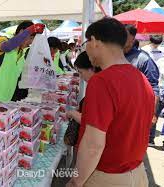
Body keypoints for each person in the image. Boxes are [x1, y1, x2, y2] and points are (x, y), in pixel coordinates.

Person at [66, 17, 154, 187]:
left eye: (87, 43)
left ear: (94, 41)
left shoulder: (102, 81)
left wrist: (77, 181)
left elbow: (93, 145)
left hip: (106, 176)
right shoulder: (141, 78)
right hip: (137, 173)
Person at [0, 21, 45, 102]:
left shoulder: (22, 53)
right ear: (21, 32)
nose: (31, 42)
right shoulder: (2, 40)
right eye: (30, 38)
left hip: (5, 99)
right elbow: (7, 46)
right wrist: (30, 30)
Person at [124, 24, 160, 146]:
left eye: (125, 36)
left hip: (135, 112)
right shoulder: (112, 55)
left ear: (132, 39)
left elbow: (154, 87)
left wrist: (153, 113)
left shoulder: (143, 59)